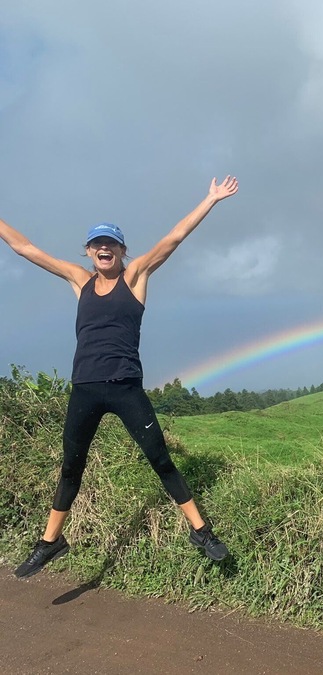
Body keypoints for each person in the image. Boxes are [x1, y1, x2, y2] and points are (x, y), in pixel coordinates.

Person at [0, 176, 239, 578]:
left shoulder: (136, 277)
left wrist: (210, 199)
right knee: (71, 468)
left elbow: (174, 238)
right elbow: (24, 248)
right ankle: (50, 542)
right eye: (96, 244)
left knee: (160, 460)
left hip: (126, 387)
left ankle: (202, 532)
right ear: (89, 252)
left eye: (110, 243)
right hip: (85, 390)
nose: (103, 249)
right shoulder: (80, 280)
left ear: (123, 251)